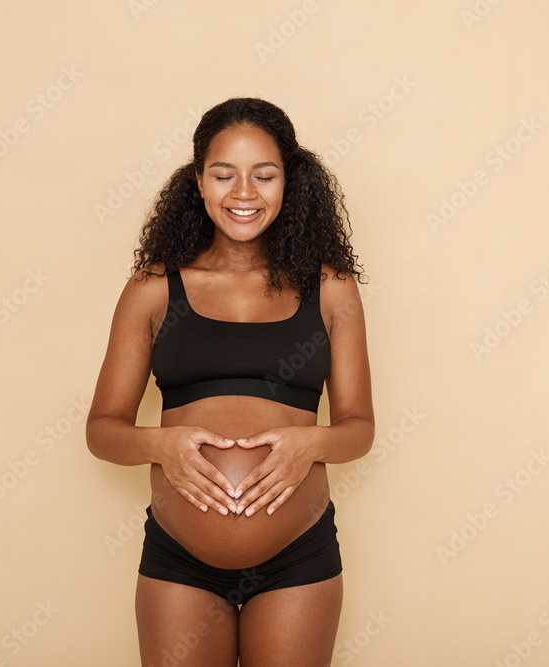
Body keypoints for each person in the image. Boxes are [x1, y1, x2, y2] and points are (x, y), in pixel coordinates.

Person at [86, 97, 374, 666]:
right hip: (179, 560)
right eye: (224, 174)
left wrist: (310, 443)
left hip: (298, 558)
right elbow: (102, 430)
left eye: (264, 175)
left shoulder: (331, 288)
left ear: (290, 182)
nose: (244, 192)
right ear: (197, 181)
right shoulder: (152, 289)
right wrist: (158, 445)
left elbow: (360, 429)